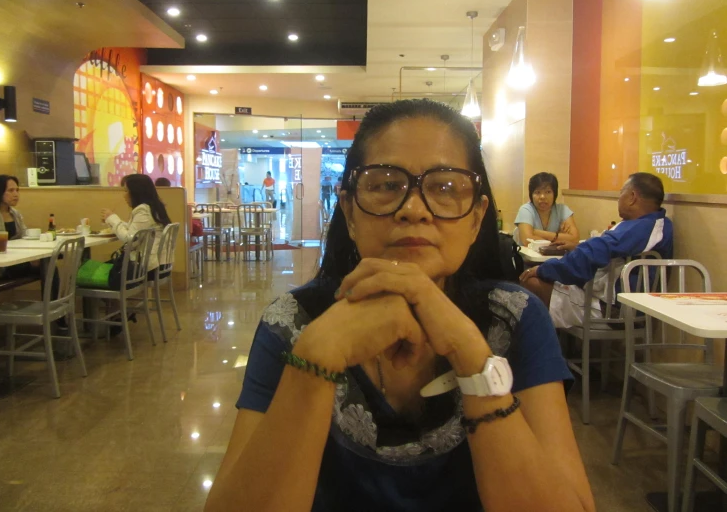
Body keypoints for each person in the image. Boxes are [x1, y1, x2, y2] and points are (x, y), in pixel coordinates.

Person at [205, 100, 595, 512]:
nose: (413, 209)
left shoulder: (513, 319)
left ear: (477, 219)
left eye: (445, 187)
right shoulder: (291, 325)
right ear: (350, 213)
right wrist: (316, 358)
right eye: (386, 184)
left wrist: (472, 356)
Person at [520, 172, 673, 329]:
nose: (619, 199)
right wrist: (577, 247)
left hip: (613, 310)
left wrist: (544, 269)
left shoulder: (642, 228)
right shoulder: (650, 224)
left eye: (621, 193)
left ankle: (543, 349)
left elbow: (592, 252)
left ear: (632, 197)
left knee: (531, 283)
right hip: (610, 300)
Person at [101, 174, 171, 274]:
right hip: (160, 263)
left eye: (126, 191)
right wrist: (112, 221)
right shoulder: (153, 207)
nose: (124, 195)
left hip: (149, 267)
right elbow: (136, 230)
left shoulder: (143, 210)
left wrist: (112, 218)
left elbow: (129, 237)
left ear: (136, 192)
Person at [514, 172, 579, 246]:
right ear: (531, 195)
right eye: (537, 192)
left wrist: (537, 232)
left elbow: (575, 239)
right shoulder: (526, 209)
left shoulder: (562, 210)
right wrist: (559, 237)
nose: (542, 197)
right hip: (527, 257)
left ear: (555, 193)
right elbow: (527, 240)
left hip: (556, 255)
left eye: (548, 192)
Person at [0, 175, 31, 282]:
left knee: (48, 265)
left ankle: (54, 299)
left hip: (14, 261)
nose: (16, 194)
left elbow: (24, 236)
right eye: (11, 190)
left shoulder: (15, 214)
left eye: (17, 190)